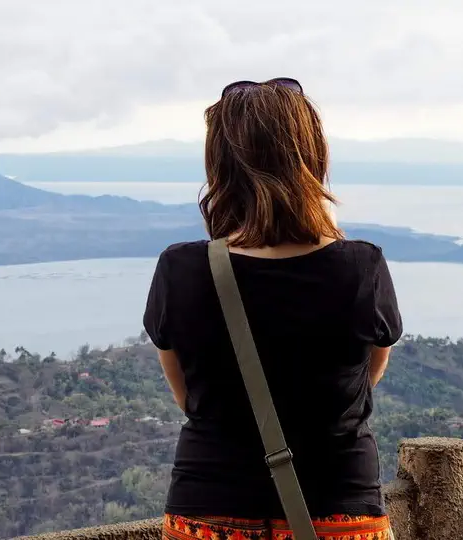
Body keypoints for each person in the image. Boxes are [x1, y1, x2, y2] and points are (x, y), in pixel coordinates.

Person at [142, 78, 403, 540]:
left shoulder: (181, 270)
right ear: (313, 158)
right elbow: (367, 376)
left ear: (219, 165)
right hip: (337, 506)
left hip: (209, 508)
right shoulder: (361, 268)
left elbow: (188, 396)